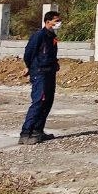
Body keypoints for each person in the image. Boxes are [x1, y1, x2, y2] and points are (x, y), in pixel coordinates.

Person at [21, 10, 62, 144]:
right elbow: (28, 53)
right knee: (39, 101)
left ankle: (38, 131)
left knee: (47, 102)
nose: (59, 23)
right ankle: (26, 133)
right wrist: (29, 67)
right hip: (40, 73)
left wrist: (55, 63)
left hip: (50, 72)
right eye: (56, 21)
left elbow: (50, 54)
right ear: (48, 22)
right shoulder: (39, 35)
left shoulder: (52, 37)